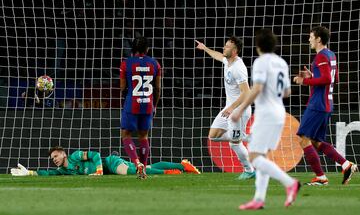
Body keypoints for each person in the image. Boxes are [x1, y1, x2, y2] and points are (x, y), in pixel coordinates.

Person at [231, 29, 300, 210]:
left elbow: (257, 88)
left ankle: (290, 183)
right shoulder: (282, 63)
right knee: (261, 156)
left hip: (266, 114)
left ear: (258, 46)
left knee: (254, 158)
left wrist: (241, 109)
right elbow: (287, 92)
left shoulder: (261, 62)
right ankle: (259, 199)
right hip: (279, 113)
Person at [293, 26, 358, 185]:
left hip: (318, 104)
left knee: (303, 139)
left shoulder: (321, 56)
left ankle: (321, 178)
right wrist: (313, 75)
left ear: (318, 39)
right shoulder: (330, 54)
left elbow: (327, 79)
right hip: (326, 103)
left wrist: (305, 81)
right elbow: (330, 78)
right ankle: (346, 164)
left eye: (311, 36)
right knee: (316, 141)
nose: (309, 39)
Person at [195, 37, 255, 180]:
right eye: (225, 45)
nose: (224, 48)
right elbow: (217, 55)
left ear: (234, 51)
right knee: (213, 135)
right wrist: (205, 48)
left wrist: (232, 108)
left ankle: (249, 170)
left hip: (239, 110)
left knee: (235, 144)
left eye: (227, 47)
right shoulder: (227, 61)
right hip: (229, 108)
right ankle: (243, 136)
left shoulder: (238, 68)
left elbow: (246, 92)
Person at [120, 36, 161, 179]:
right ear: (147, 49)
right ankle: (143, 167)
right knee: (143, 136)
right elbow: (157, 88)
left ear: (133, 49)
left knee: (126, 134)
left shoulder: (126, 63)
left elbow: (122, 87)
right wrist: (154, 105)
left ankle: (137, 163)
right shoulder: (155, 64)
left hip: (132, 103)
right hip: (148, 104)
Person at [10, 146, 201, 176]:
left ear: (63, 153)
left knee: (134, 172)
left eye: (56, 156)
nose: (55, 160)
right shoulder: (64, 171)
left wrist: (100, 169)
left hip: (110, 163)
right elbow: (49, 173)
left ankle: (171, 172)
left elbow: (95, 155)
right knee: (147, 166)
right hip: (106, 169)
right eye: (52, 159)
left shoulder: (76, 155)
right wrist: (31, 172)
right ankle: (182, 164)